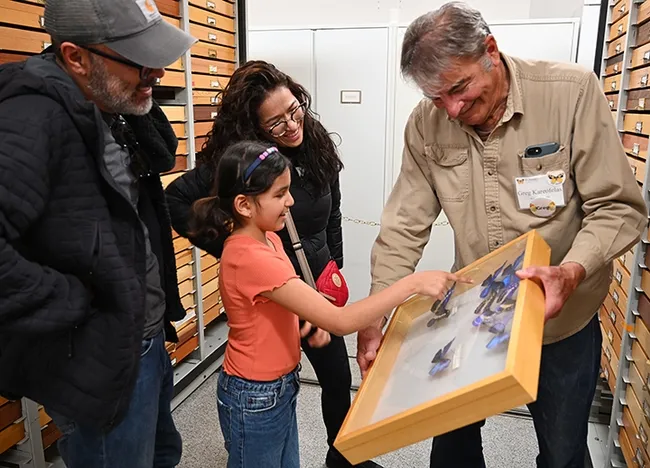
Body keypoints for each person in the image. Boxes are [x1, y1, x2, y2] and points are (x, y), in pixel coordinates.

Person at [358, 2, 647, 468]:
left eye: (459, 89)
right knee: (451, 449)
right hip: (470, 317)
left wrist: (572, 269)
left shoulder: (569, 91)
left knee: (562, 453)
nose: (452, 110)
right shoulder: (426, 124)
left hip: (561, 322)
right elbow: (403, 225)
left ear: (490, 50)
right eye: (437, 98)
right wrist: (376, 311)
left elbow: (617, 206)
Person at [0, 0, 197, 467]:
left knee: (162, 453)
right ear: (75, 57)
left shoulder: (103, 104)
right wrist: (72, 302)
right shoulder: (30, 118)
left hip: (139, 337)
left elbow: (161, 157)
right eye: (139, 60)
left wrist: (135, 89)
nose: (156, 72)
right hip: (98, 351)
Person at [189, 139, 467, 468]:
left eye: (288, 190)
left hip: (279, 387)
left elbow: (273, 302)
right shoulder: (247, 257)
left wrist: (305, 319)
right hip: (255, 395)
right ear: (244, 205)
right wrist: (412, 283)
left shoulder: (271, 239)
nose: (290, 201)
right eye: (279, 195)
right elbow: (340, 321)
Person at [165, 60, 380, 467]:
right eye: (276, 124)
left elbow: (333, 212)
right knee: (269, 379)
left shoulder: (314, 140)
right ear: (255, 129)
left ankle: (343, 456)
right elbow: (174, 199)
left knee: (336, 377)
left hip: (312, 281)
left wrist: (333, 267)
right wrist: (241, 251)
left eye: (294, 110)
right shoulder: (244, 162)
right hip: (269, 290)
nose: (292, 126)